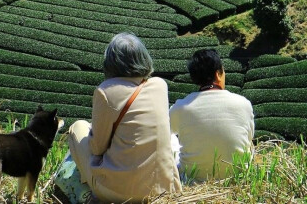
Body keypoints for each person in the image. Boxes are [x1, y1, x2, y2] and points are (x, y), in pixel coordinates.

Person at [67, 33, 181, 203]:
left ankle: (89, 185)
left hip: (120, 193)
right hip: (162, 189)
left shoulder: (106, 91)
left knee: (77, 127)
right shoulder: (160, 85)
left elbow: (97, 148)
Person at [169, 48, 254, 182]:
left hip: (193, 181)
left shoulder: (180, 107)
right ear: (218, 74)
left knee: (170, 138)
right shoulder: (243, 104)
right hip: (237, 178)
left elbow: (166, 133)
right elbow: (249, 140)